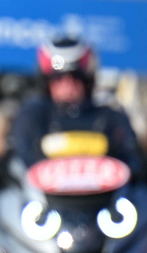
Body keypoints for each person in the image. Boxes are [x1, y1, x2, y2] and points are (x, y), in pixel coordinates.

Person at [10, 35, 144, 180]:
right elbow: (23, 160)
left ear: (87, 80)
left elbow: (130, 159)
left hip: (103, 192)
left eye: (75, 77)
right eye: (59, 78)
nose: (68, 84)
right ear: (47, 82)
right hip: (44, 192)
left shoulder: (109, 117)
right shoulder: (34, 116)